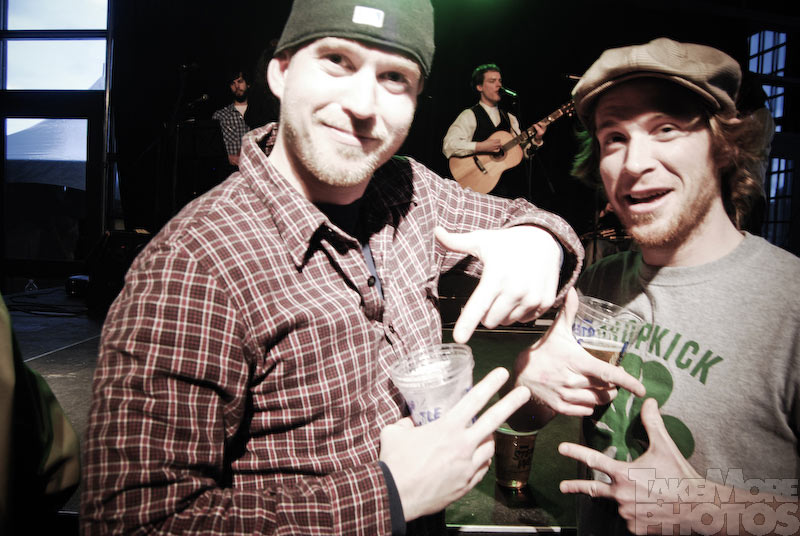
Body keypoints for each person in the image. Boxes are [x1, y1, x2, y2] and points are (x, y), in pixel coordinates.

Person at [81, 1, 585, 535]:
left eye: (394, 78)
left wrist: (540, 243)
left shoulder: (410, 189)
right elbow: (133, 520)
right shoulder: (194, 264)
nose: (363, 104)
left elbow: (529, 219)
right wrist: (389, 496)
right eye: (337, 62)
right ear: (280, 71)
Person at [507, 37, 800, 535]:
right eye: (614, 137)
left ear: (724, 146)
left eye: (666, 129)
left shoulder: (789, 303)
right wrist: (531, 385)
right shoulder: (598, 282)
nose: (633, 162)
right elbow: (527, 421)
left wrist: (710, 509)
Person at [442, 63, 544, 199]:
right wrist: (481, 146)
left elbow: (524, 154)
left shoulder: (510, 118)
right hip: (477, 191)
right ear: (480, 87)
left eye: (500, 81)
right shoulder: (470, 115)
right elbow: (449, 146)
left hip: (507, 192)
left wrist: (536, 140)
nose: (499, 85)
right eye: (492, 81)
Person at [212, 68, 255, 168]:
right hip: (230, 170)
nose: (237, 86)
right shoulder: (220, 116)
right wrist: (226, 158)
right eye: (232, 83)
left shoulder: (259, 112)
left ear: (248, 84)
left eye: (240, 81)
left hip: (255, 169)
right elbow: (213, 150)